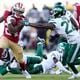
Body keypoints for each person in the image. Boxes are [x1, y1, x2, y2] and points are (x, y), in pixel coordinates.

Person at [23, 2, 80, 79]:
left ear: (57, 12)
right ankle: (76, 74)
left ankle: (76, 73)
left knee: (71, 61)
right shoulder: (65, 17)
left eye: (54, 12)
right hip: (74, 39)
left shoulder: (56, 21)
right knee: (68, 60)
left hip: (75, 41)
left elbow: (41, 25)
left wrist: (29, 24)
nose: (52, 13)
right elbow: (75, 25)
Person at [0, 2, 31, 78]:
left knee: (21, 60)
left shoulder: (22, 19)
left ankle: (24, 71)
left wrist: (10, 22)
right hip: (5, 38)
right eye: (17, 11)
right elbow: (1, 19)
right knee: (0, 47)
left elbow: (13, 31)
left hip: (15, 41)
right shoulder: (7, 13)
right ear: (13, 9)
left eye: (20, 12)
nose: (18, 13)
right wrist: (6, 18)